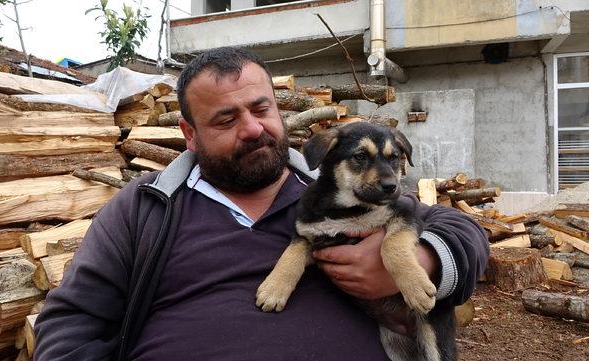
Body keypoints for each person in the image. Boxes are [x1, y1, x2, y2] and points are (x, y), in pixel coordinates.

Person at [34, 47, 489, 361]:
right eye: (226, 119)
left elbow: (463, 232)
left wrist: (422, 258)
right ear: (190, 136)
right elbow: (72, 322)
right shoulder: (146, 207)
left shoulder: (338, 189)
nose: (252, 129)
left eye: (261, 109)